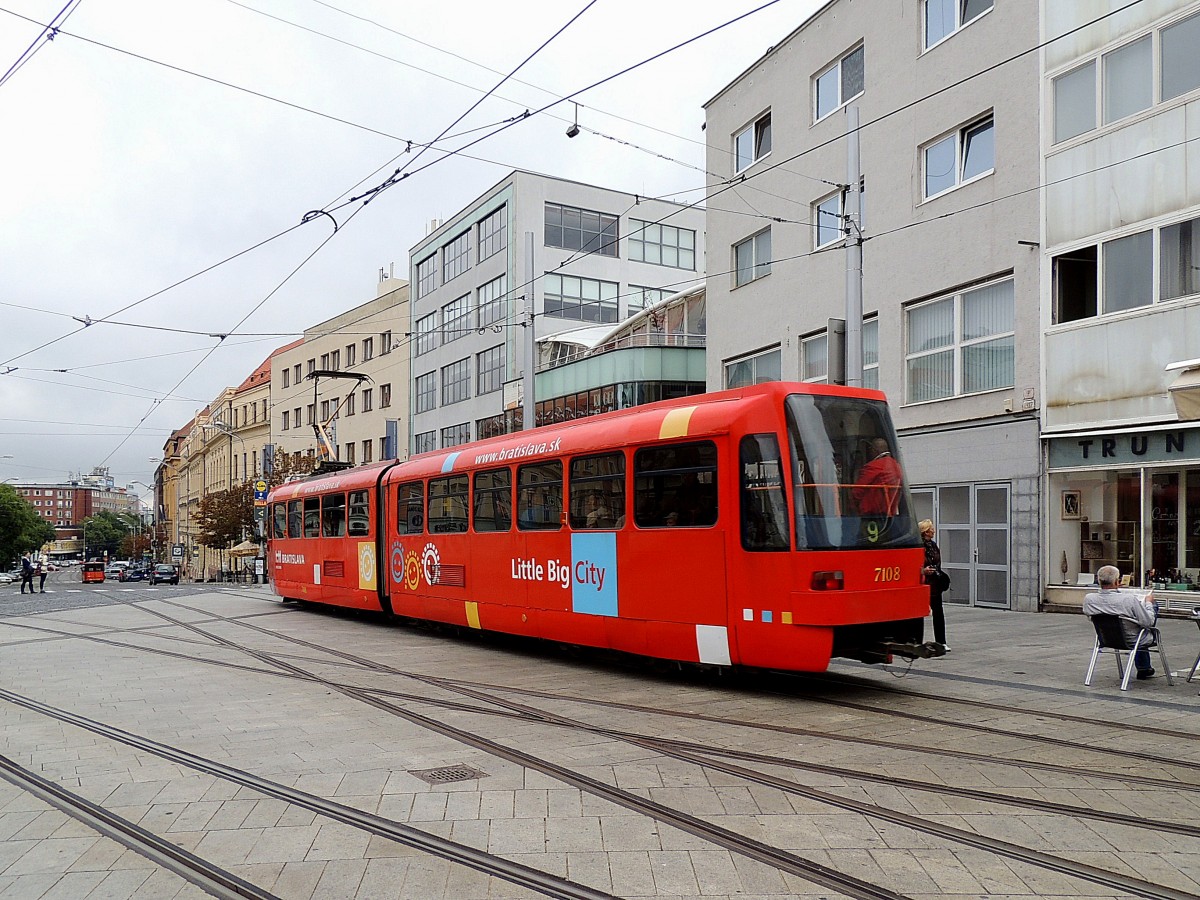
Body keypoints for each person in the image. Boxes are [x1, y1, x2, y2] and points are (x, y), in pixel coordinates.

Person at [1082, 565, 1158, 679]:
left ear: (1099, 580)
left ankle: (1144, 667)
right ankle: (1143, 667)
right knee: (1150, 610)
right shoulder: (1128, 599)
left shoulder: (1089, 599)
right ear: (1117, 581)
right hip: (1133, 639)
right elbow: (1148, 622)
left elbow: (1090, 616)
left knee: (1136, 621)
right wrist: (1148, 603)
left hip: (1106, 638)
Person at [852, 438, 903, 516]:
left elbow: (857, 491)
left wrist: (853, 508)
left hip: (871, 514)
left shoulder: (872, 466)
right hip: (890, 513)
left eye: (870, 449)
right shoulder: (897, 465)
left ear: (873, 450)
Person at [919, 519, 949, 651]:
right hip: (923, 584)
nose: (934, 531)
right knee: (919, 613)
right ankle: (916, 641)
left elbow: (938, 562)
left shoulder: (934, 545)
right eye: (931, 529)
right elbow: (912, 566)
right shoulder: (918, 546)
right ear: (926, 532)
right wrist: (923, 571)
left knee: (938, 613)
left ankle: (941, 642)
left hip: (935, 584)